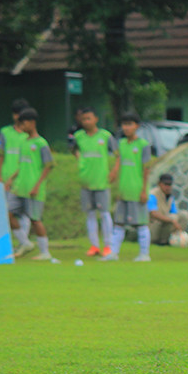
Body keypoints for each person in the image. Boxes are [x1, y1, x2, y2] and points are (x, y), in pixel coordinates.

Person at [4, 108, 55, 261]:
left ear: (32, 123)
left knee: (35, 220)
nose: (21, 127)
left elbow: (49, 165)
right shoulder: (24, 142)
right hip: (19, 188)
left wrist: (37, 185)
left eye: (23, 123)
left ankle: (45, 252)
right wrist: (11, 179)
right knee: (8, 213)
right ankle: (25, 243)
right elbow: (21, 164)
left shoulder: (41, 143)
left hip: (34, 190)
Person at [103, 112, 153, 262]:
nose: (126, 127)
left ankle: (144, 254)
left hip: (137, 191)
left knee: (141, 224)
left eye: (129, 124)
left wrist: (144, 190)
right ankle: (113, 253)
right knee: (119, 223)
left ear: (136, 126)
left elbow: (146, 169)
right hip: (124, 191)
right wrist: (116, 181)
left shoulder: (143, 145)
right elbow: (120, 164)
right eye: (124, 124)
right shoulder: (122, 144)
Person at [72, 107, 118, 257]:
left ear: (96, 119)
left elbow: (119, 155)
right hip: (86, 182)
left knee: (104, 214)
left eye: (89, 118)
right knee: (90, 214)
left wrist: (114, 172)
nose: (86, 122)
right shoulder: (78, 136)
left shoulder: (105, 136)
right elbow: (73, 150)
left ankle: (108, 246)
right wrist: (81, 162)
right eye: (84, 119)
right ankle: (94, 246)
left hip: (101, 182)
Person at [0, 98, 31, 255]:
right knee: (7, 212)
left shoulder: (29, 136)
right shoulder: (5, 132)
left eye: (21, 114)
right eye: (16, 114)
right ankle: (24, 243)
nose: (18, 117)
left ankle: (23, 243)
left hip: (24, 179)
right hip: (6, 179)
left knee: (24, 212)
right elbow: (1, 155)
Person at [147, 173, 188, 246]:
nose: (168, 187)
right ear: (159, 184)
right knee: (172, 218)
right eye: (166, 184)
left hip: (164, 226)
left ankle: (180, 239)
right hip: (152, 227)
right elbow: (153, 213)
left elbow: (174, 213)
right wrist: (171, 220)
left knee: (184, 215)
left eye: (170, 184)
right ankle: (162, 242)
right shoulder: (152, 195)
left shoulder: (170, 197)